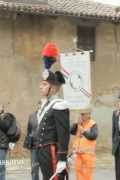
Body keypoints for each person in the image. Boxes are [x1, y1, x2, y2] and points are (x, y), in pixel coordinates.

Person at [35, 42, 70, 180]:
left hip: (52, 151)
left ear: (53, 88)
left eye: (44, 84)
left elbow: (63, 134)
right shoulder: (45, 106)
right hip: (42, 150)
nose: (40, 87)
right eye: (41, 83)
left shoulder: (59, 105)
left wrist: (62, 158)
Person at [70, 108, 98, 180]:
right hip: (78, 153)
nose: (81, 116)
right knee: (78, 172)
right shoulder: (79, 123)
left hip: (88, 154)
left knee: (88, 174)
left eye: (83, 114)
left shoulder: (93, 124)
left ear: (88, 115)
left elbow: (93, 136)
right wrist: (75, 123)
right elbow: (72, 131)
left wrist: (83, 131)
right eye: (80, 114)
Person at [23, 110, 40, 180]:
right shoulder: (32, 116)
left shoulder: (49, 114)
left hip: (45, 145)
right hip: (34, 145)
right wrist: (28, 142)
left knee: (47, 168)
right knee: (34, 167)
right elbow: (29, 130)